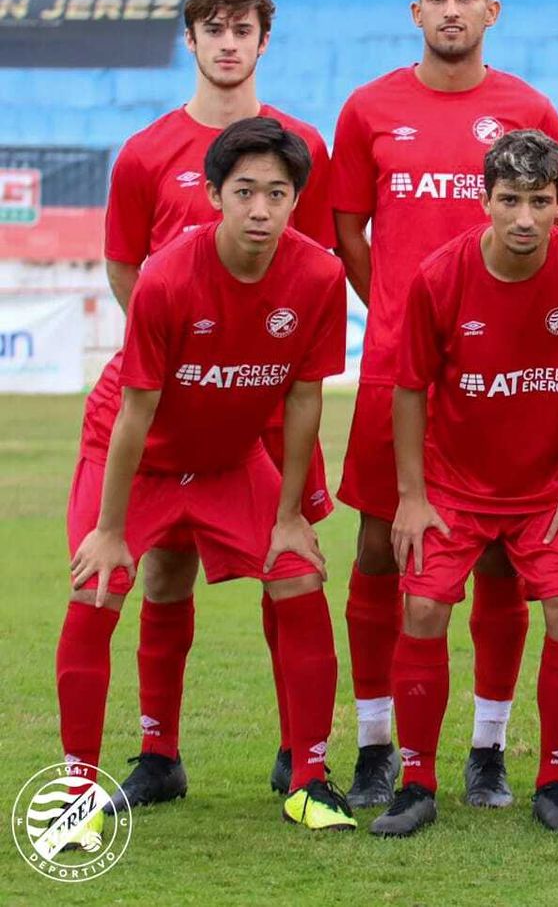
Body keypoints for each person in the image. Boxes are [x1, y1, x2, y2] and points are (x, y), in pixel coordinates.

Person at [57, 117, 352, 835]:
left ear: (294, 200)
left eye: (276, 193)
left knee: (298, 571)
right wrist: (108, 530)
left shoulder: (319, 274)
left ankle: (309, 779)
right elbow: (136, 412)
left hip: (229, 455)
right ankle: (81, 791)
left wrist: (288, 515)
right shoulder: (166, 276)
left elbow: (305, 398)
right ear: (214, 194)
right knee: (106, 586)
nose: (260, 209)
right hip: (139, 452)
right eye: (244, 191)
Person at [329, 0, 558, 810]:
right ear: (416, 12)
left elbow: (549, 223)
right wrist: (400, 311)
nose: (452, 10)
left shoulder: (527, 107)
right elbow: (349, 232)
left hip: (502, 381)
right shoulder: (369, 110)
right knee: (377, 547)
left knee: (502, 561)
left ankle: (488, 749)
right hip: (398, 365)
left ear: (491, 12)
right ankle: (373, 743)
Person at [368, 129, 558, 838]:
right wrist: (413, 497)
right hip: (452, 488)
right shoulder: (440, 276)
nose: (525, 218)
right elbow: (410, 388)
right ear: (485, 201)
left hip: (546, 492)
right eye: (511, 200)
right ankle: (415, 784)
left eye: (541, 201)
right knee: (420, 612)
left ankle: (556, 783)